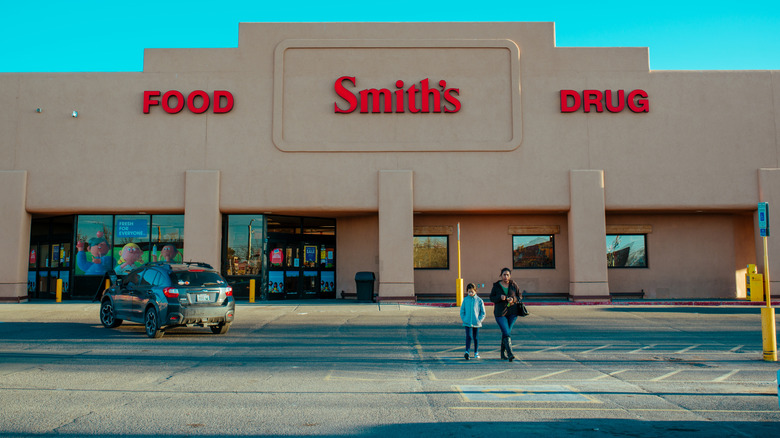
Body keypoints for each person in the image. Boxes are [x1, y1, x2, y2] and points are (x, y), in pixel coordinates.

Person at [490, 267, 522, 362]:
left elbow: (519, 296)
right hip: (500, 313)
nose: (506, 276)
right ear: (501, 275)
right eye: (504, 274)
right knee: (506, 331)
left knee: (506, 332)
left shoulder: (513, 284)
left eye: (508, 275)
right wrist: (500, 297)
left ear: (510, 276)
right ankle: (510, 353)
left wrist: (513, 299)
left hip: (512, 312)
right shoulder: (496, 286)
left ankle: (502, 354)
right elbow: (492, 298)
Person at [460, 283, 485, 360]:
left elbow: (482, 312)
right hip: (467, 323)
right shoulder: (465, 300)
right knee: (469, 336)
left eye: (472, 291)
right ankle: (467, 351)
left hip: (476, 323)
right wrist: (464, 319)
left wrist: (479, 320)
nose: (470, 293)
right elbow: (462, 311)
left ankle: (476, 352)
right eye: (469, 292)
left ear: (475, 291)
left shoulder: (479, 300)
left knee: (476, 337)